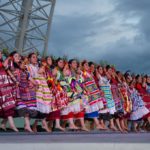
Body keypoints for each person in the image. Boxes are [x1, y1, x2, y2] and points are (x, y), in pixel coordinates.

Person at [0, 51, 18, 132]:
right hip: (1, 84)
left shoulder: (3, 62)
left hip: (7, 84)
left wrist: (15, 80)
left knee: (10, 103)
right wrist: (8, 57)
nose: (0, 54)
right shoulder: (4, 62)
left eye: (1, 53)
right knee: (7, 103)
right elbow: (4, 65)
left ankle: (4, 123)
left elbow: (8, 71)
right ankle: (11, 124)